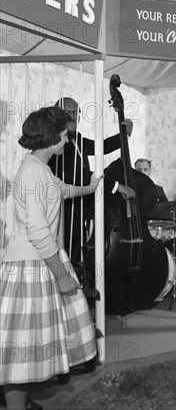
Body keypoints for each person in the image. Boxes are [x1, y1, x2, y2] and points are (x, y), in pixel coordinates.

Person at [0, 107, 103, 410]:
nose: (68, 141)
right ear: (53, 137)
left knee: (23, 352)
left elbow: (62, 190)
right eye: (65, 135)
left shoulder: (39, 168)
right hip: (32, 266)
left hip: (38, 263)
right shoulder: (33, 171)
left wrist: (92, 187)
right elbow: (38, 231)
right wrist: (61, 274)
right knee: (20, 352)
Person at [49, 97, 135, 263]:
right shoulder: (56, 142)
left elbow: (101, 147)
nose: (74, 117)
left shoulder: (77, 138)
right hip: (65, 210)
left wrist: (124, 134)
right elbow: (79, 176)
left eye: (76, 112)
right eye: (69, 112)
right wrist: (117, 186)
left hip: (81, 207)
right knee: (65, 254)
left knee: (76, 252)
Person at [134, 158, 176, 282]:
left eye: (145, 169)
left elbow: (165, 209)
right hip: (140, 224)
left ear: (150, 171)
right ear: (135, 171)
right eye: (139, 170)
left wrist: (173, 217)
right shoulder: (131, 189)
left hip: (156, 224)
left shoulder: (158, 189)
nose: (143, 172)